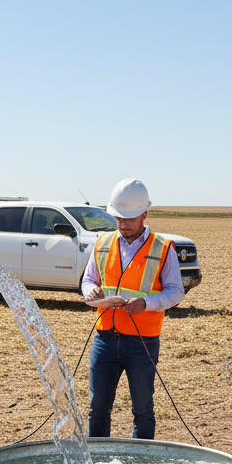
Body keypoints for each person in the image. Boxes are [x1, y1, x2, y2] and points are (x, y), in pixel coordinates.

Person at [81, 178, 185, 439]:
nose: (123, 224)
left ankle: (142, 460)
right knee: (98, 409)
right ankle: (98, 459)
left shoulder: (162, 248)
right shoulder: (102, 243)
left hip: (142, 343)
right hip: (105, 338)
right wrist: (90, 291)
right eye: (118, 218)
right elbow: (88, 279)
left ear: (144, 214)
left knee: (143, 409)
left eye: (129, 219)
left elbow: (176, 292)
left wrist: (146, 304)